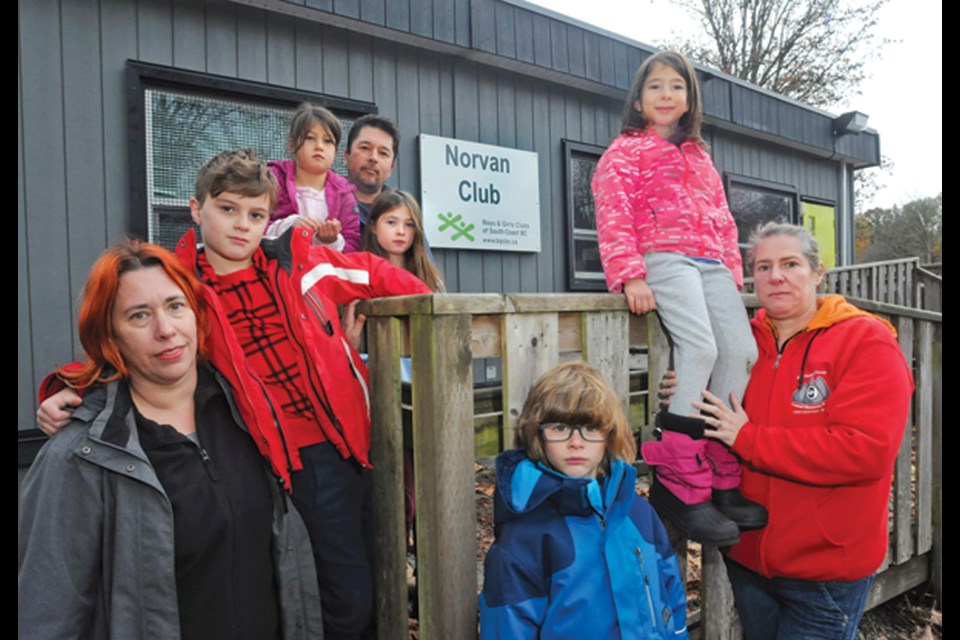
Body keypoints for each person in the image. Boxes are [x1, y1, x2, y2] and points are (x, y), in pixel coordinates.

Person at [36, 149, 433, 640]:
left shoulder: (298, 265)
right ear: (196, 209)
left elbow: (372, 273)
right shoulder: (185, 290)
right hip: (266, 458)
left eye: (256, 214)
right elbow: (135, 348)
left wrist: (435, 305)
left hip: (345, 444)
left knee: (365, 568)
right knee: (314, 586)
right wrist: (65, 392)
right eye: (227, 209)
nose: (242, 225)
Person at [19, 241, 323, 640]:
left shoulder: (251, 417)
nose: (166, 330)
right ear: (111, 336)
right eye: (139, 315)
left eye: (175, 306)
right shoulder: (80, 458)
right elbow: (47, 614)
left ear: (197, 313)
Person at [693, 223, 913, 639]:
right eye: (763, 266)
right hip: (746, 557)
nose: (775, 276)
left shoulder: (865, 341)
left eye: (790, 263)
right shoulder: (740, 344)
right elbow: (718, 421)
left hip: (824, 572)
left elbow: (865, 451)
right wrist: (691, 391)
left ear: (817, 273)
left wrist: (749, 439)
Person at [591, 50, 762, 545]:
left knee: (740, 350)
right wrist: (630, 275)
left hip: (712, 263)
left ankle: (722, 475)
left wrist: (732, 271)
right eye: (656, 87)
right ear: (640, 100)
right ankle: (680, 480)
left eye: (677, 87)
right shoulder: (625, 151)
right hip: (664, 256)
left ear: (690, 99)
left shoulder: (700, 156)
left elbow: (724, 220)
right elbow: (613, 214)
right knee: (701, 348)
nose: (667, 95)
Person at [479, 362, 688, 640]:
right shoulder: (525, 538)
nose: (576, 442)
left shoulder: (637, 511)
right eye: (559, 427)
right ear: (538, 435)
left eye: (590, 428)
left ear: (609, 435)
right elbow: (507, 628)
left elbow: (669, 589)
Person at [266, 102, 361, 252]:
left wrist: (332, 240)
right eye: (310, 138)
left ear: (335, 151)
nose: (319, 146)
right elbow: (255, 225)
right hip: (277, 270)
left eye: (327, 141)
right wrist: (289, 226)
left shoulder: (344, 193)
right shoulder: (273, 179)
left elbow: (353, 245)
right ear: (292, 144)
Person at [362, 189, 443, 292]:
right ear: (373, 227)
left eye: (409, 225)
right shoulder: (360, 273)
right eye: (391, 222)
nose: (401, 231)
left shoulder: (430, 277)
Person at [344, 114, 400, 227]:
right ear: (346, 157)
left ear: (391, 168)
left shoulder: (404, 214)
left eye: (383, 153)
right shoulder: (320, 203)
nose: (373, 158)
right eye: (365, 148)